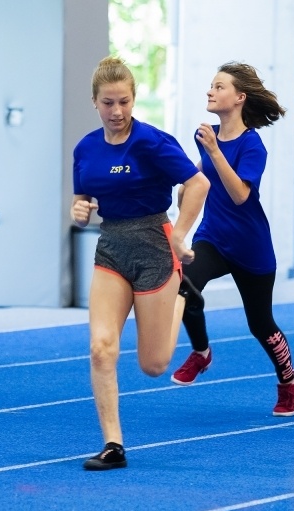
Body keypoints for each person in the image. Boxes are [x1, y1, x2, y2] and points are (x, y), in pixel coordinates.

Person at [72, 56, 210, 470]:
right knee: (101, 348)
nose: (117, 112)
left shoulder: (152, 142)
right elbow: (85, 198)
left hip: (155, 245)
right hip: (111, 247)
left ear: (134, 100)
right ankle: (113, 445)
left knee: (153, 365)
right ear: (94, 102)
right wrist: (78, 209)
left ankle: (183, 297)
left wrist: (181, 235)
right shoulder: (85, 149)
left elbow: (198, 183)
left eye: (125, 102)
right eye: (108, 103)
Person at [169, 62, 294, 417]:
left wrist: (214, 151)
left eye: (218, 86)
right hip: (213, 238)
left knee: (260, 324)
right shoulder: (207, 136)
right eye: (210, 86)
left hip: (251, 247)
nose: (210, 91)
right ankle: (201, 352)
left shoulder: (252, 145)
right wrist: (186, 187)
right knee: (184, 285)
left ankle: (288, 380)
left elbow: (241, 194)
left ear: (239, 97)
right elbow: (201, 182)